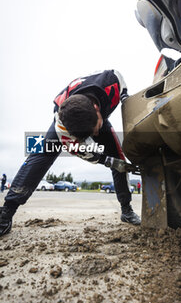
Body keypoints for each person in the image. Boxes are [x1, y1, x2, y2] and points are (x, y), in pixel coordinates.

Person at [0, 70, 141, 237]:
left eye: (93, 132)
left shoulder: (111, 81)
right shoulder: (62, 126)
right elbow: (86, 153)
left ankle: (127, 210)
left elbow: (120, 79)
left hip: (93, 106)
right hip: (66, 120)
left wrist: (125, 97)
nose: (94, 137)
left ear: (97, 110)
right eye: (87, 137)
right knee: (39, 157)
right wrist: (105, 160)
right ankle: (5, 214)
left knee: (118, 157)